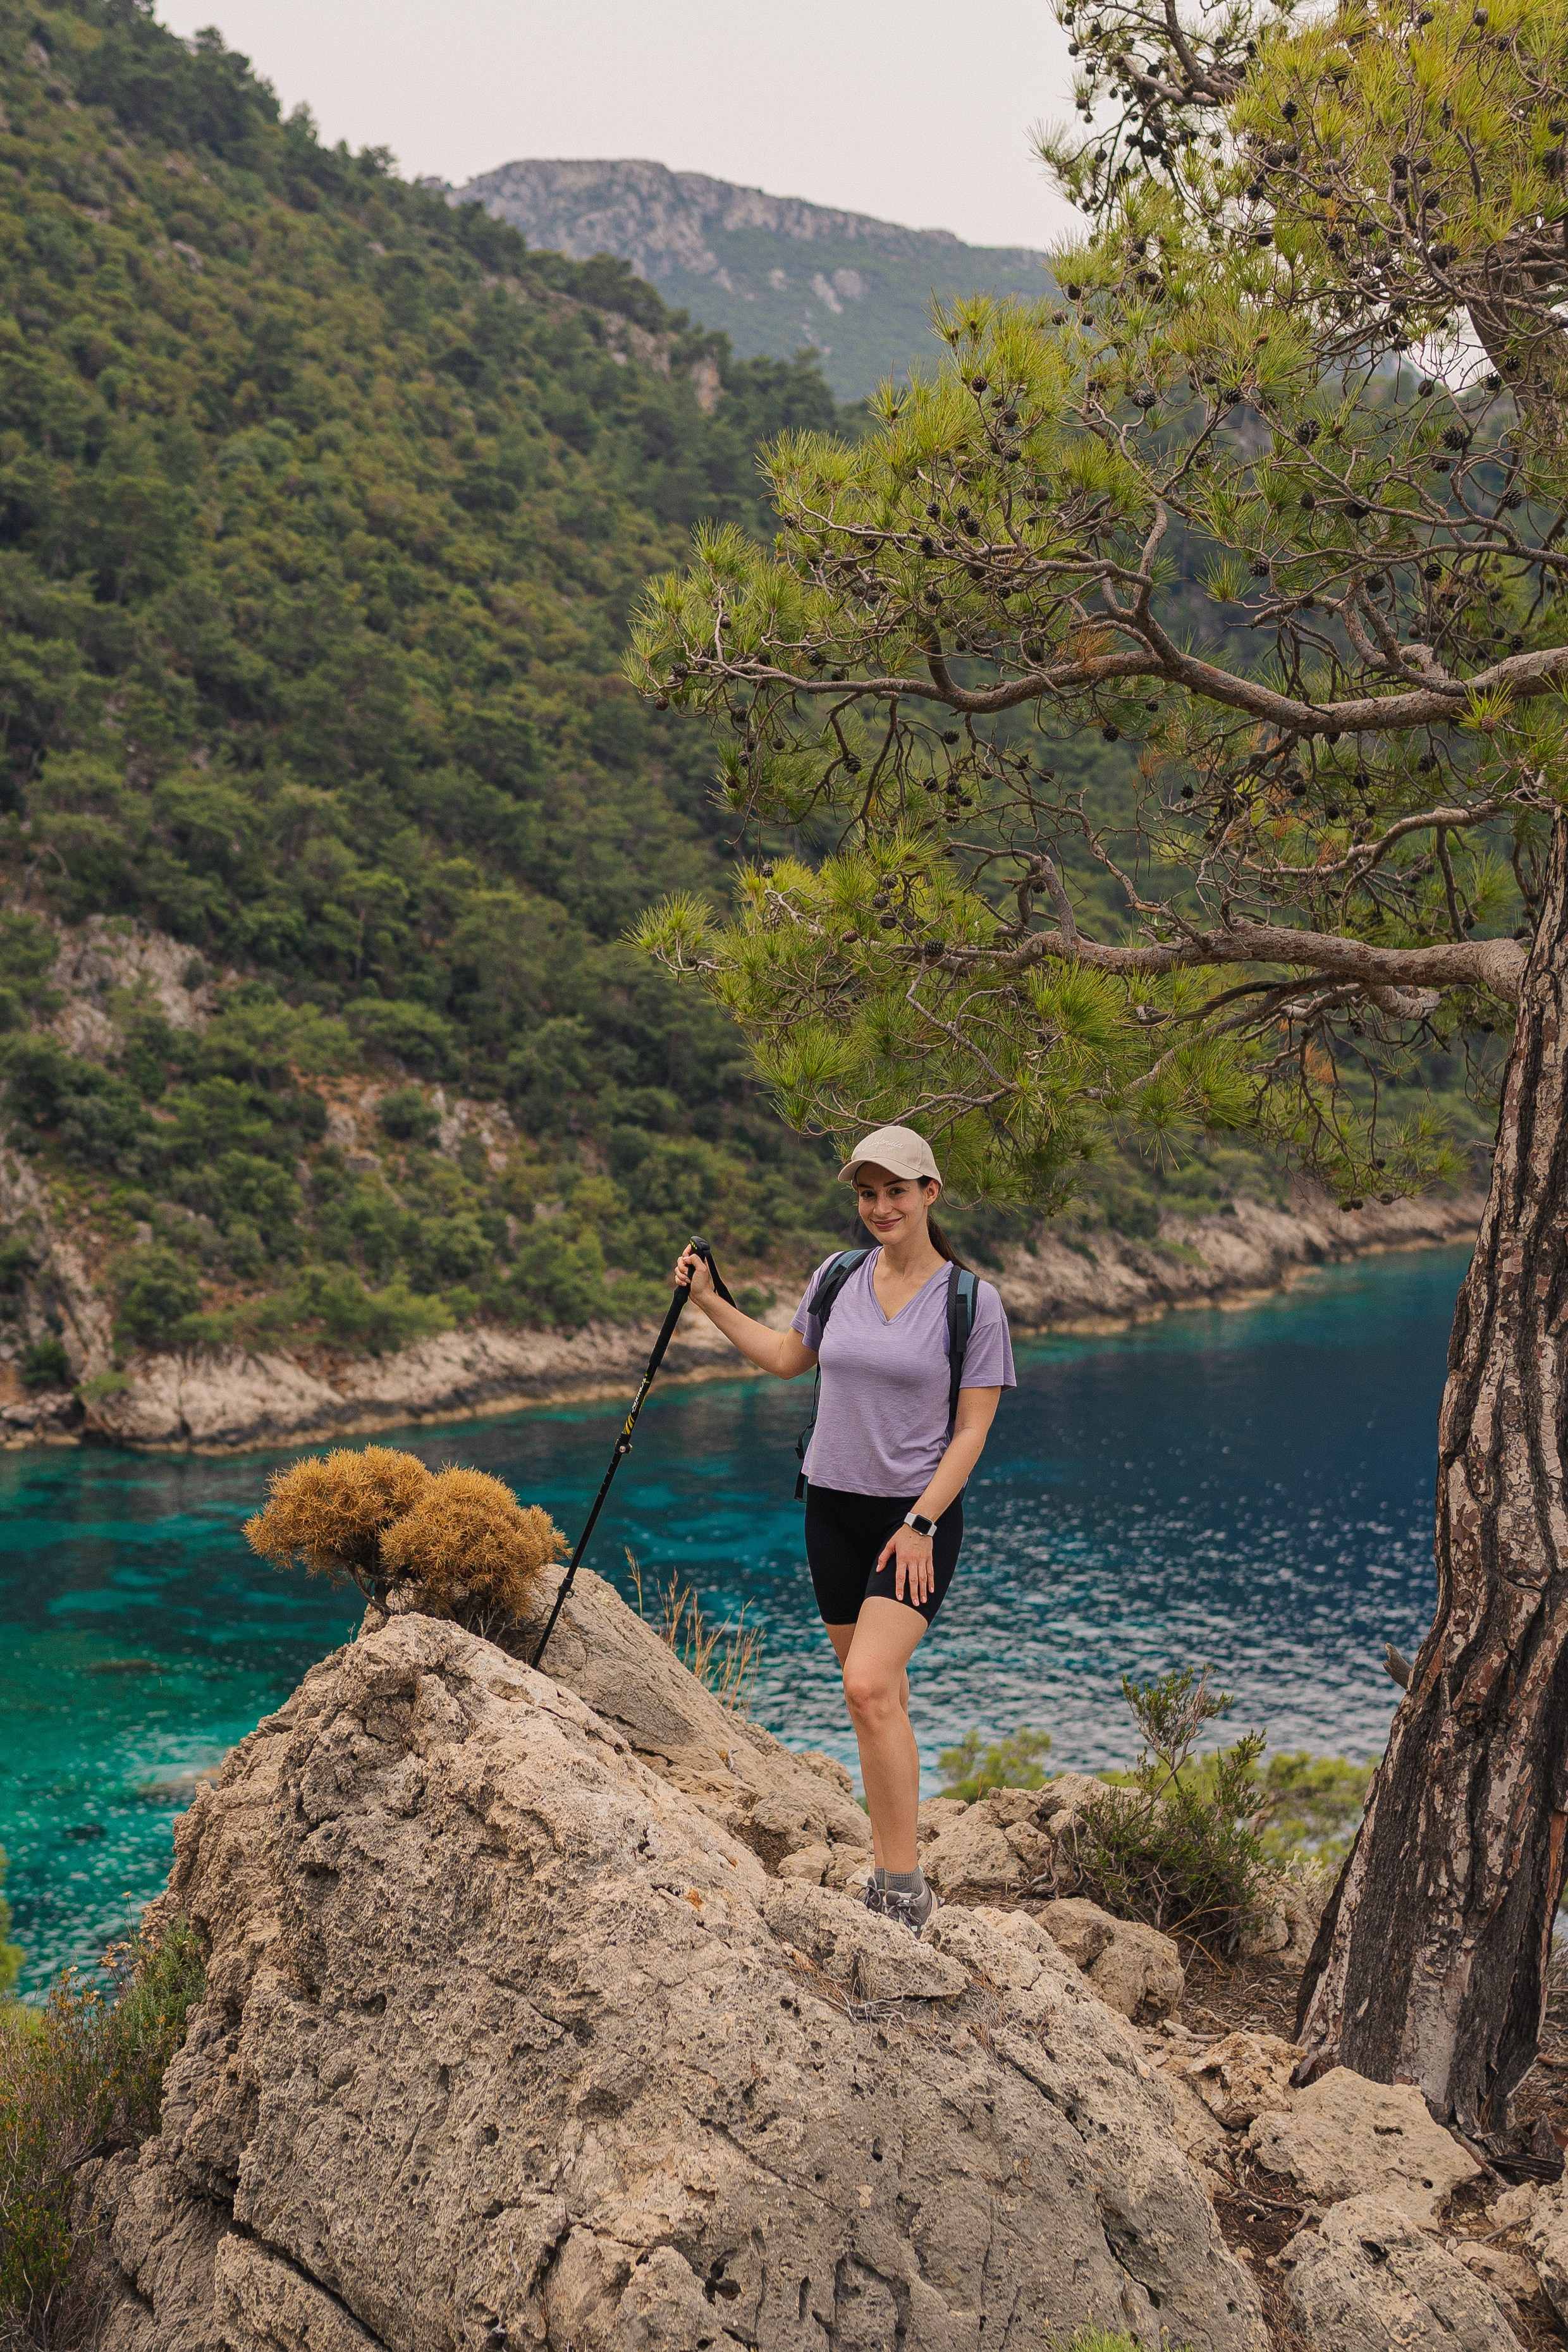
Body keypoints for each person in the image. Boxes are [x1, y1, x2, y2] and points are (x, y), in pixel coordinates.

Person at [673, 1124, 1015, 1936]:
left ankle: (902, 1889)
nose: (879, 1206)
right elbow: (789, 1359)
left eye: (895, 1190)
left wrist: (923, 1521)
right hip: (829, 1508)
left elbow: (970, 1432)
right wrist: (708, 1301)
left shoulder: (971, 1302)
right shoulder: (835, 1277)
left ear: (929, 1193)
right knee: (880, 1694)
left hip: (914, 1524)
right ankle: (893, 1859)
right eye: (866, 1193)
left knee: (865, 1687)